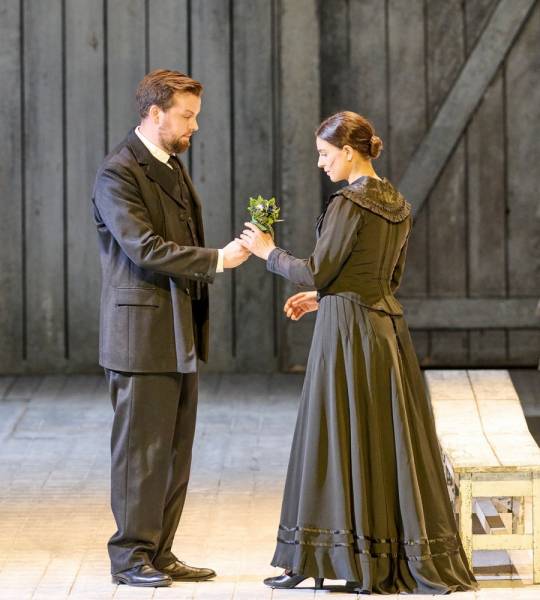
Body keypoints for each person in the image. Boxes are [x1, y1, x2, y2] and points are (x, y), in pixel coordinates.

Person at [238, 111, 478, 595]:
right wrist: (323, 297)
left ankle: (325, 556)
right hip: (386, 333)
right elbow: (386, 279)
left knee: (330, 437)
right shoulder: (398, 204)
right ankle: (370, 559)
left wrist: (268, 253)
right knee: (377, 442)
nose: (321, 163)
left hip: (347, 335)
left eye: (325, 154)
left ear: (349, 152)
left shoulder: (349, 202)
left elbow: (317, 269)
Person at [92, 69, 249, 588]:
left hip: (177, 330)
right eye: (187, 116)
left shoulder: (170, 164)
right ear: (154, 113)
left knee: (176, 451)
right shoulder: (118, 173)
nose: (194, 126)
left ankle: (158, 550)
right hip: (140, 337)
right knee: (141, 452)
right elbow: (144, 248)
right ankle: (129, 556)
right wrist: (218, 259)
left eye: (195, 116)